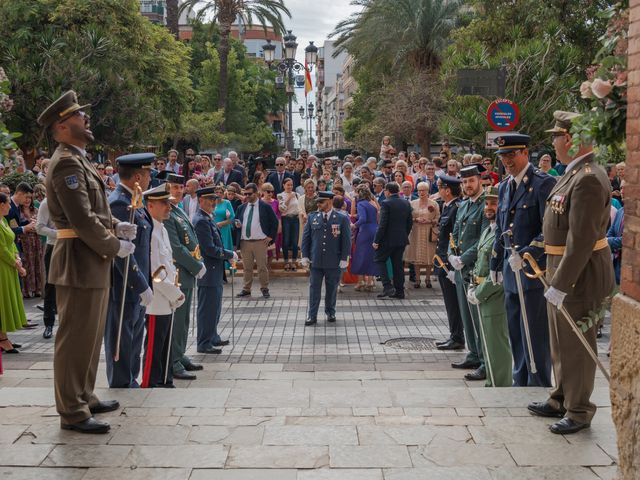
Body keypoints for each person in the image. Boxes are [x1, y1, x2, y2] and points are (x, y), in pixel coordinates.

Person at [38, 90, 136, 433]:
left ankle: (85, 395)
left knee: (91, 336)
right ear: (63, 126)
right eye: (79, 115)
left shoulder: (78, 158)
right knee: (74, 338)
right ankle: (72, 411)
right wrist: (113, 244)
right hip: (78, 259)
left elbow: (94, 211)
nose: (86, 119)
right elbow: (79, 217)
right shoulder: (65, 161)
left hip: (90, 258)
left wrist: (114, 225)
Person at [528, 111, 615, 434]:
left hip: (581, 272)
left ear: (570, 139)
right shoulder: (573, 173)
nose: (553, 142)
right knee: (561, 340)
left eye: (556, 136)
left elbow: (582, 239)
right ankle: (561, 396)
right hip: (560, 266)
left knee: (578, 344)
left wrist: (562, 282)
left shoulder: (589, 177)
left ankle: (579, 410)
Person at [490, 133, 556, 388]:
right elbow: (501, 227)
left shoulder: (543, 184)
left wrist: (527, 252)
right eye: (503, 156)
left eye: (512, 154)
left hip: (532, 272)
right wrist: (496, 263)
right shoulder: (505, 186)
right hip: (510, 270)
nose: (507, 160)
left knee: (535, 333)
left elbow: (549, 229)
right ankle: (520, 379)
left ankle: (538, 382)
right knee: (515, 330)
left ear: (525, 153)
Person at [104, 153, 154, 389]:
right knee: (122, 337)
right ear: (137, 177)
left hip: (137, 283)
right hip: (124, 285)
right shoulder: (119, 203)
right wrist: (141, 284)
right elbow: (123, 254)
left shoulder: (134, 200)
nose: (150, 178)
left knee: (134, 336)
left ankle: (130, 379)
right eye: (147, 174)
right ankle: (122, 382)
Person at [466, 186, 513, 386]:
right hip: (481, 292)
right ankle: (492, 382)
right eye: (486, 203)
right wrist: (471, 286)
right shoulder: (488, 230)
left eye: (494, 203)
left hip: (494, 294)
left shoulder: (503, 234)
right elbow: (479, 263)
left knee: (496, 345)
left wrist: (481, 291)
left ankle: (500, 385)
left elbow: (501, 269)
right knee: (487, 343)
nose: (489, 207)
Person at [140, 184, 185, 388]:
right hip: (158, 298)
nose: (169, 207)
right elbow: (155, 272)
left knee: (165, 342)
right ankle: (151, 381)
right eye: (164, 203)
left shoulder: (162, 229)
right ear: (150, 205)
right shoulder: (150, 232)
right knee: (155, 345)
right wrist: (174, 293)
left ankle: (165, 379)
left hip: (168, 298)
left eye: (168, 202)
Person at [448, 164, 489, 380]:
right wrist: (451, 256)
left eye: (470, 181)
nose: (467, 186)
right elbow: (454, 235)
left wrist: (463, 259)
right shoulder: (463, 205)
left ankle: (484, 360)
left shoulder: (485, 205)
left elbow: (483, 238)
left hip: (476, 269)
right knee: (466, 315)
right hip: (461, 269)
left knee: (477, 317)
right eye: (464, 182)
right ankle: (473, 354)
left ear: (479, 181)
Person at [163, 174, 205, 380]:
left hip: (186, 272)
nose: (178, 191)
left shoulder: (178, 209)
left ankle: (179, 354)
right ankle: (172, 360)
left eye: (181, 187)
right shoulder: (168, 213)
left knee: (185, 318)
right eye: (174, 187)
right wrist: (196, 266)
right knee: (177, 319)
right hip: (178, 272)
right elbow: (176, 249)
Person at [193, 187, 237, 353]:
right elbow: (209, 248)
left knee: (215, 307)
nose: (213, 202)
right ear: (200, 200)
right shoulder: (201, 220)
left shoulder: (207, 217)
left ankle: (212, 336)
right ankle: (204, 342)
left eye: (214, 199)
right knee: (207, 309)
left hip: (214, 270)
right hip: (208, 270)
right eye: (209, 199)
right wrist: (228, 254)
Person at [301, 191, 351, 325]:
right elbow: (306, 239)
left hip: (333, 260)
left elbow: (346, 240)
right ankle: (312, 315)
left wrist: (344, 258)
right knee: (314, 289)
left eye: (321, 202)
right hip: (316, 260)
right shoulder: (313, 217)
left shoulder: (342, 218)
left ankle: (330, 312)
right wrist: (305, 255)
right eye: (318, 202)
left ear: (329, 201)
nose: (318, 204)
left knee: (332, 289)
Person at [434, 175, 465, 351]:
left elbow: (457, 238)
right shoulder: (447, 207)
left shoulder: (456, 208)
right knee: (449, 302)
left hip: (450, 263)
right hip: (443, 262)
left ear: (447, 190)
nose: (438, 190)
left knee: (453, 302)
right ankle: (454, 335)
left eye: (440, 187)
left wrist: (453, 265)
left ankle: (457, 337)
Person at [235, 183, 278, 298]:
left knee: (262, 267)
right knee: (247, 268)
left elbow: (274, 222)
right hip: (245, 242)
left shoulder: (265, 206)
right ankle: (246, 289)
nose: (247, 196)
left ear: (256, 193)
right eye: (245, 194)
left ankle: (264, 288)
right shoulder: (241, 207)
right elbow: (236, 220)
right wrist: (237, 224)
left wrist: (270, 237)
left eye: (249, 194)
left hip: (260, 241)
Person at [373, 182, 413, 299]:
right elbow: (409, 222)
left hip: (387, 240)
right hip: (401, 239)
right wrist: (404, 234)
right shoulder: (406, 202)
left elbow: (382, 224)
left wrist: (376, 240)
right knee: (398, 265)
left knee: (379, 260)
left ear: (388, 191)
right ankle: (400, 291)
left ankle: (387, 286)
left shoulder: (386, 203)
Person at [0, 192, 27, 354]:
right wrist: (16, 264)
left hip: (9, 265)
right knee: (3, 301)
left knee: (7, 300)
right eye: (8, 203)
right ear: (1, 205)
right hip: (3, 267)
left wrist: (17, 255)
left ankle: (3, 336)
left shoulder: (2, 220)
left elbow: (10, 242)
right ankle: (2, 339)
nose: (10, 207)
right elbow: (1, 249)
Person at [405, 182, 439, 288]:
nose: (421, 192)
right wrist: (416, 219)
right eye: (419, 190)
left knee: (429, 255)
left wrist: (429, 221)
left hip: (429, 232)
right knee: (416, 255)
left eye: (423, 190)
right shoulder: (412, 203)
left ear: (428, 191)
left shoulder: (434, 204)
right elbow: (407, 218)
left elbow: (438, 218)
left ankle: (428, 279)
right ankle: (418, 279)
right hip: (416, 231)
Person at [35, 196, 57, 339]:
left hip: (73, 247)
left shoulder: (73, 198)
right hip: (54, 246)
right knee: (51, 284)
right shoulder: (47, 202)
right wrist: (57, 234)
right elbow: (39, 227)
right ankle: (48, 324)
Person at [351, 185, 379, 291]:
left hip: (365, 231)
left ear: (359, 193)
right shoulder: (372, 203)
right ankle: (370, 281)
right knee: (371, 256)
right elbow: (373, 216)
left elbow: (363, 219)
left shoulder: (361, 203)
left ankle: (360, 281)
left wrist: (354, 225)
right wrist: (357, 216)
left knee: (360, 255)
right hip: (374, 229)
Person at [17, 192, 44, 298]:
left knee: (37, 263)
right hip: (24, 241)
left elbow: (42, 224)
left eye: (29, 198)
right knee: (27, 263)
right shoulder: (18, 212)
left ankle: (38, 289)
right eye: (25, 197)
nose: (27, 200)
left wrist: (36, 224)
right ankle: (27, 290)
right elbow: (16, 227)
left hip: (36, 240)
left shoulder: (36, 210)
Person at [278, 177, 300, 271]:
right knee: (286, 241)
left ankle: (294, 262)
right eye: (288, 185)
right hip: (286, 218)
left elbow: (299, 206)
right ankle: (286, 261)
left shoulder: (297, 194)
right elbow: (282, 209)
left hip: (295, 219)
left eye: (291, 185)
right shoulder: (280, 195)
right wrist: (290, 197)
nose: (290, 186)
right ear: (283, 185)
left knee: (295, 242)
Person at [213, 184, 235, 265]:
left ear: (223, 194)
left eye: (220, 192)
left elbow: (232, 217)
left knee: (224, 246)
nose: (218, 194)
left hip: (224, 229)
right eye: (216, 192)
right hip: (213, 228)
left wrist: (221, 223)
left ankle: (226, 266)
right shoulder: (211, 202)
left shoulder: (227, 202)